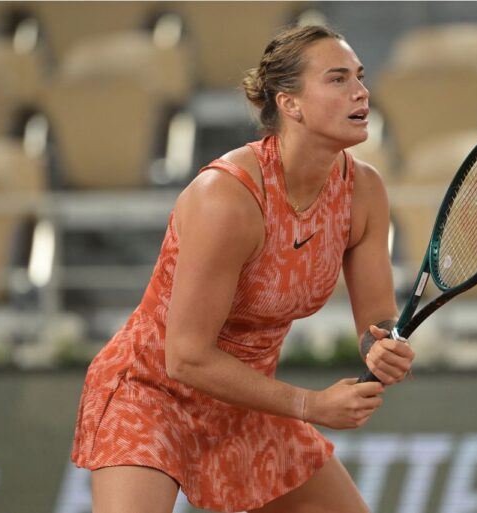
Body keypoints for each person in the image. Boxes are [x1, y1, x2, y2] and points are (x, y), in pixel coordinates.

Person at [71, 25, 415, 513]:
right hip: (153, 392)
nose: (361, 91)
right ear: (289, 104)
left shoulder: (364, 192)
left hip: (247, 401)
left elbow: (376, 321)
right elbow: (186, 357)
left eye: (359, 77)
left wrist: (382, 349)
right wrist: (311, 406)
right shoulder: (227, 198)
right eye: (337, 79)